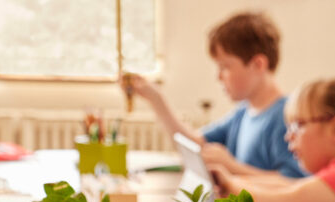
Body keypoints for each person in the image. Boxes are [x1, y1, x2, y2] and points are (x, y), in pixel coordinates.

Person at [125, 12, 305, 179]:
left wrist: (232, 167)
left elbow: (294, 183)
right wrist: (156, 100)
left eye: (225, 67)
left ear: (258, 64)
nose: (219, 77)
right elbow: (194, 145)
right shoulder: (243, 113)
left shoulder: (286, 117)